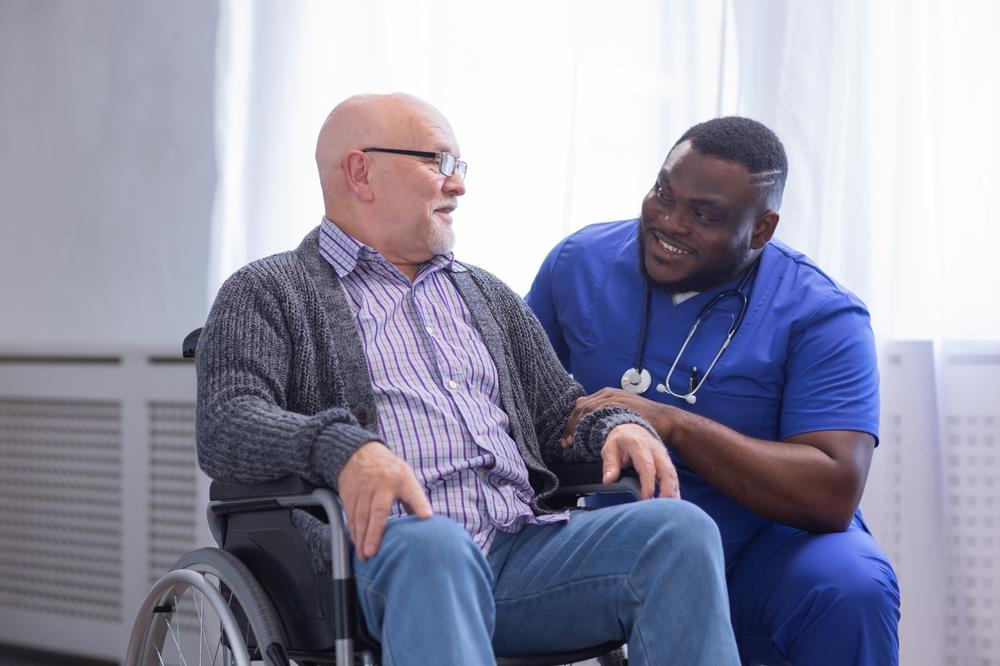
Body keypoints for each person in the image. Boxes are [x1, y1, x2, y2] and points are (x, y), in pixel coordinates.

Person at [196, 93, 740, 665]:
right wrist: (344, 450)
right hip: (381, 558)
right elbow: (227, 421)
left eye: (460, 167)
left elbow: (560, 412)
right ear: (361, 172)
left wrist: (612, 428)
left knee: (679, 531)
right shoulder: (268, 290)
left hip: (521, 550)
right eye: (439, 162)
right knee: (438, 547)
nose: (459, 186)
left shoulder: (486, 294)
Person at [526, 116, 900, 666]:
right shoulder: (579, 263)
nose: (669, 223)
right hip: (611, 538)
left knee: (851, 587)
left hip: (761, 551)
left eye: (703, 215)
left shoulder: (822, 314)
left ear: (761, 229)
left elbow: (832, 490)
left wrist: (671, 422)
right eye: (663, 193)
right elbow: (512, 404)